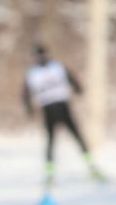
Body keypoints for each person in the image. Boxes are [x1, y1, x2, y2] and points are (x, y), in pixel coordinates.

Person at [23, 45, 104, 186]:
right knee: (51, 141)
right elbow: (26, 92)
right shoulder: (33, 73)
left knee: (77, 137)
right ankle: (50, 172)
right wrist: (28, 107)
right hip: (48, 108)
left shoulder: (55, 67)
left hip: (62, 106)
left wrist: (78, 88)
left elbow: (71, 78)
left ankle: (91, 166)